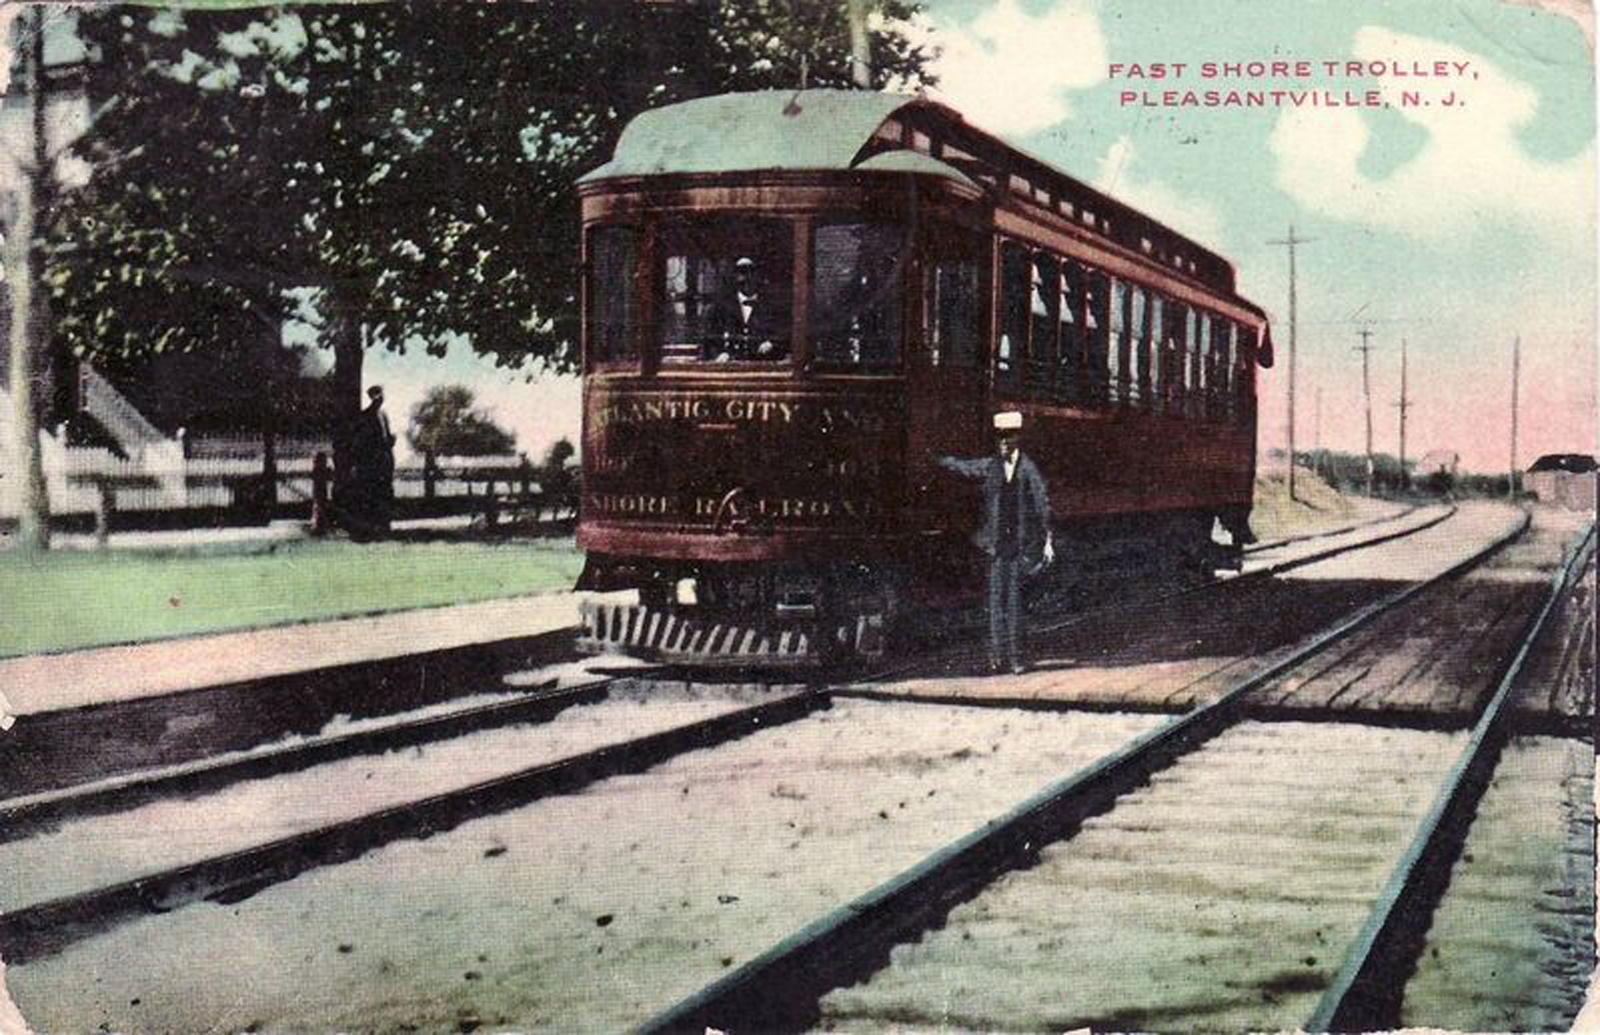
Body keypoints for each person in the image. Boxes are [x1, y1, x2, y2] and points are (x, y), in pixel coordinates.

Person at [936, 411, 1055, 674]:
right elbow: (966, 468)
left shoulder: (1028, 468)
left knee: (1013, 604)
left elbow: (1042, 502)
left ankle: (1015, 659)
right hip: (996, 547)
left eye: (1008, 437)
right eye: (1000, 438)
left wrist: (1047, 539)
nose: (1003, 442)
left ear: (1017, 439)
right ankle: (996, 658)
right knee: (994, 603)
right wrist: (940, 460)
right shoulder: (990, 466)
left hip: (1018, 547)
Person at [710, 255, 786, 361]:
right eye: (742, 273)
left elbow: (782, 336)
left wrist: (771, 344)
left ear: (758, 277)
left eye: (751, 273)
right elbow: (711, 338)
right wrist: (721, 354)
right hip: (730, 368)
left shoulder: (771, 306)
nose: (746, 279)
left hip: (762, 368)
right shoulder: (723, 308)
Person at [350, 384, 397, 537]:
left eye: (382, 394)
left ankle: (385, 524)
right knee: (373, 493)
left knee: (386, 492)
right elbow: (362, 442)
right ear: (371, 397)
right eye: (377, 395)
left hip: (385, 460)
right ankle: (373, 526)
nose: (380, 397)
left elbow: (386, 437)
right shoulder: (365, 416)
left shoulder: (384, 415)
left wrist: (391, 441)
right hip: (372, 462)